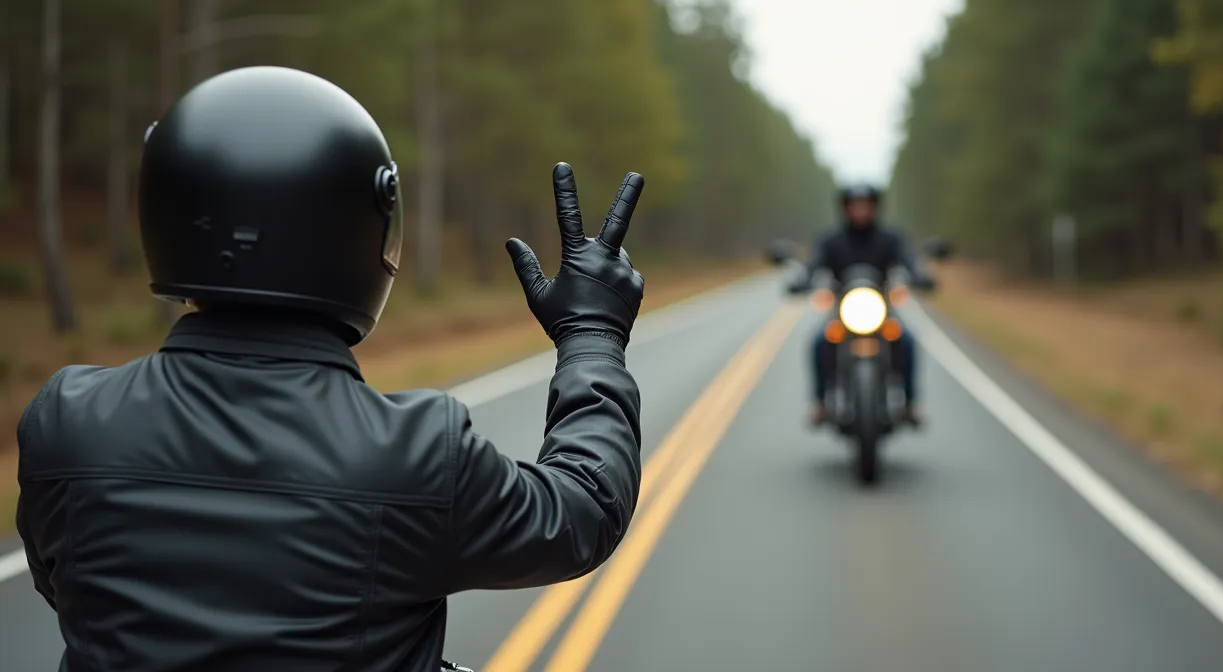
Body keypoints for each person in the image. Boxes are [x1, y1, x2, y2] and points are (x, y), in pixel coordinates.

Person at [15, 66, 646, 672]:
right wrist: (590, 335)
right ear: (364, 231)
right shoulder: (418, 451)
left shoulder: (66, 423)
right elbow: (583, 511)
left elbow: (67, 585)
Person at [791, 183, 935, 427]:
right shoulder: (831, 240)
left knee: (907, 341)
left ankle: (910, 403)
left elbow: (909, 261)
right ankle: (820, 403)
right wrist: (802, 280)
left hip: (882, 310)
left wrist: (920, 276)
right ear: (845, 208)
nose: (861, 211)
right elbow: (813, 264)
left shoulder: (890, 238)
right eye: (855, 205)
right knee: (818, 342)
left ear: (875, 208)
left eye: (866, 205)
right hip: (842, 311)